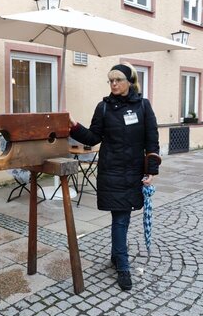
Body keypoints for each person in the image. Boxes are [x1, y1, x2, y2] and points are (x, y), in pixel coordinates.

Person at [69, 62, 160, 291]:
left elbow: (152, 140)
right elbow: (92, 137)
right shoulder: (104, 107)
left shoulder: (143, 106)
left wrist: (151, 170)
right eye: (110, 80)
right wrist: (74, 126)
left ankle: (115, 255)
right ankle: (122, 266)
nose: (114, 84)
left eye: (118, 79)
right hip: (111, 171)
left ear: (130, 81)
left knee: (123, 216)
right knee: (120, 217)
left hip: (134, 170)